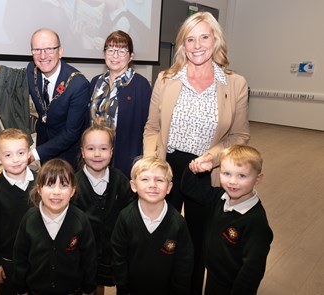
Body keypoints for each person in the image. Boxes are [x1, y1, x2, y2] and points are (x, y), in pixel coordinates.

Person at [143, 11, 250, 294]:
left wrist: (213, 157)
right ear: (182, 45)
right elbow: (152, 127)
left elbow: (239, 136)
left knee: (196, 242)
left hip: (207, 172)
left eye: (204, 37)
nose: (198, 45)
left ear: (216, 40)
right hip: (167, 166)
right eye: (190, 39)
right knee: (161, 236)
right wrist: (151, 165)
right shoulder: (166, 79)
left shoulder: (235, 83)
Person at [0, 28, 90, 170]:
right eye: (37, 50)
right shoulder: (31, 70)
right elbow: (16, 79)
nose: (42, 56)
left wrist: (34, 154)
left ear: (60, 52)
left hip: (68, 153)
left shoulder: (78, 84)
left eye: (49, 49)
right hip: (43, 144)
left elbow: (71, 133)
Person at [181, 145, 273, 294]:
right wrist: (195, 170)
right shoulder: (219, 198)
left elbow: (252, 270)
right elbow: (190, 189)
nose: (232, 181)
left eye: (241, 176)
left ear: (258, 179)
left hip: (233, 284)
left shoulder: (255, 221)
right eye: (226, 173)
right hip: (213, 274)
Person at [12, 158, 97, 295]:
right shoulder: (29, 219)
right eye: (50, 185)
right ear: (39, 189)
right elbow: (20, 257)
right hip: (36, 290)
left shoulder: (80, 220)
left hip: (72, 290)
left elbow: (89, 259)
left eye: (64, 185)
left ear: (73, 191)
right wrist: (20, 288)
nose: (56, 192)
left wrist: (88, 288)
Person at [111, 156, 194, 295]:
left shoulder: (178, 222)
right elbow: (118, 257)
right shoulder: (125, 217)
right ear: (133, 186)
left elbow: (184, 263)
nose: (152, 185)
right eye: (145, 179)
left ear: (169, 188)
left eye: (160, 180)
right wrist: (122, 287)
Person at [73, 124, 135, 295]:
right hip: (85, 253)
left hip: (115, 251)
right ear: (83, 152)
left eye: (103, 148)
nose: (97, 154)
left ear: (111, 151)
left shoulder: (121, 181)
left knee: (121, 283)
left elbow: (131, 213)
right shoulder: (73, 185)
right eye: (91, 148)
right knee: (91, 287)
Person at [89, 30, 151, 177]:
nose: (115, 56)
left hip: (124, 161)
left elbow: (148, 126)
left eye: (122, 51)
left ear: (131, 56)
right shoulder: (95, 82)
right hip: (94, 158)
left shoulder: (140, 85)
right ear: (104, 54)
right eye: (110, 50)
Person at [0, 128, 36, 295]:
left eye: (20, 153)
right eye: (8, 155)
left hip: (39, 255)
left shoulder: (41, 181)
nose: (15, 160)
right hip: (10, 259)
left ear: (29, 153)